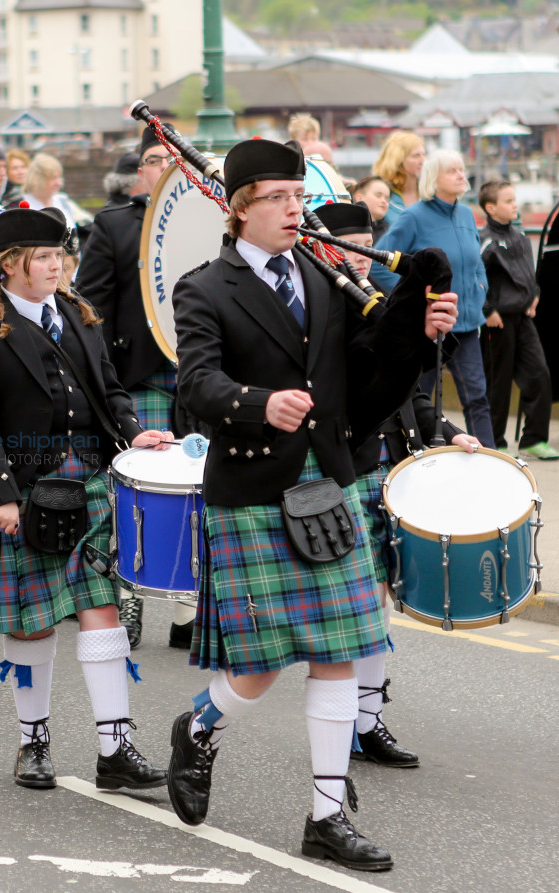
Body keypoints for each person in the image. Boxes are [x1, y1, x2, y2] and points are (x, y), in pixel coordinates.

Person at [168, 137, 460, 870]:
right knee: (261, 667)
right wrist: (259, 403)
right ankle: (200, 725)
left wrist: (414, 327)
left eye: (298, 197)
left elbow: (365, 366)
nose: (294, 210)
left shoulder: (322, 274)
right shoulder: (204, 288)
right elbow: (194, 385)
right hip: (253, 491)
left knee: (341, 652)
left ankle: (326, 813)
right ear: (238, 210)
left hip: (325, 486)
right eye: (277, 199)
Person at [0, 205, 170, 791]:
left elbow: (109, 390)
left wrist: (134, 428)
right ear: (10, 265)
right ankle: (32, 741)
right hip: (27, 487)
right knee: (34, 623)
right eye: (42, 257)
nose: (55, 265)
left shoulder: (78, 314)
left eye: (59, 255)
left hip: (88, 478)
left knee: (102, 610)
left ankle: (114, 747)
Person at [317, 200, 480, 769]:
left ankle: (368, 721)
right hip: (352, 467)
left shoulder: (385, 303)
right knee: (368, 599)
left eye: (366, 241)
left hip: (397, 467)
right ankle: (360, 723)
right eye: (348, 244)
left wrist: (450, 433)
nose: (359, 257)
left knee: (383, 597)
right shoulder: (325, 310)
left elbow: (412, 392)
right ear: (323, 247)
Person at [75, 124, 191, 650]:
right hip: (138, 375)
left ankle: (190, 609)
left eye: (171, 157)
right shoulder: (115, 226)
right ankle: (130, 597)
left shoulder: (213, 222)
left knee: (199, 484)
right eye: (151, 159)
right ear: (138, 173)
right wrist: (105, 383)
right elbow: (89, 313)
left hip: (197, 376)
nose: (162, 166)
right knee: (136, 489)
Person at [380, 149, 495, 448]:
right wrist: (411, 302)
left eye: (461, 169)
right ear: (434, 178)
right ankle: (420, 458)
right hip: (427, 330)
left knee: (478, 397)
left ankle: (491, 462)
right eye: (452, 170)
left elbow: (475, 260)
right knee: (419, 399)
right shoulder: (413, 216)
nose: (461, 175)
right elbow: (379, 263)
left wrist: (481, 287)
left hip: (467, 324)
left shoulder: (468, 213)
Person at [478, 179, 559, 460]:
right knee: (497, 383)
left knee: (539, 374)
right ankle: (495, 440)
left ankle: (534, 439)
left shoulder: (521, 236)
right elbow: (477, 278)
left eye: (515, 200)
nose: (515, 205)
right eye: (509, 201)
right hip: (498, 321)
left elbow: (529, 272)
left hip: (524, 319)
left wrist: (534, 295)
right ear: (491, 207)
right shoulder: (486, 239)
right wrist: (487, 311)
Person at [372, 131, 425, 228]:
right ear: (398, 159)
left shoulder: (430, 193)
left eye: (423, 154)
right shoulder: (381, 196)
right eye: (416, 156)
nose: (423, 160)